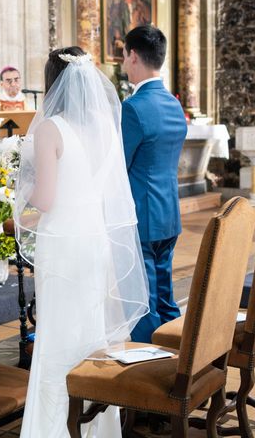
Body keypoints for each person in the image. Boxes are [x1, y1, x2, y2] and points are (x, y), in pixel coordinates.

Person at [14, 47, 149, 437]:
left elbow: (46, 199)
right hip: (94, 240)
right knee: (89, 335)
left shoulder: (49, 128)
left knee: (57, 336)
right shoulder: (102, 125)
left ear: (52, 82)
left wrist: (19, 193)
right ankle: (96, 429)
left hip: (63, 242)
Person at [121, 25, 187, 344]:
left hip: (141, 216)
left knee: (143, 304)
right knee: (165, 296)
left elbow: (119, 164)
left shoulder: (133, 107)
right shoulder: (174, 104)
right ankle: (180, 355)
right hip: (168, 214)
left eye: (123, 56)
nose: (123, 64)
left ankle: (149, 371)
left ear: (133, 56)